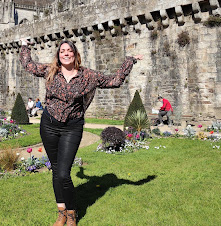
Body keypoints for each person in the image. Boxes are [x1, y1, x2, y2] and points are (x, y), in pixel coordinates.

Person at [20, 39, 143, 225]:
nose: (66, 53)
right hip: (49, 125)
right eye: (62, 51)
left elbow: (115, 81)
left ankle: (71, 214)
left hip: (72, 127)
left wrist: (129, 61)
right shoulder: (50, 71)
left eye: (69, 50)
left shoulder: (88, 76)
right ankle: (61, 211)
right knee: (56, 171)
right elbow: (28, 65)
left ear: (75, 54)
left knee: (63, 173)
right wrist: (24, 46)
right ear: (58, 55)